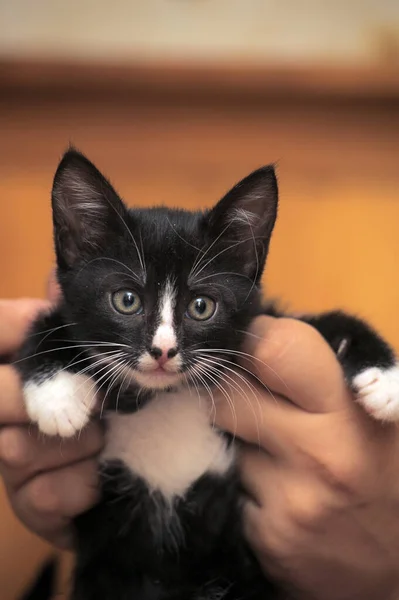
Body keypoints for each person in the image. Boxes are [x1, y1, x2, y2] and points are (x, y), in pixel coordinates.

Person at [1, 278, 399, 600]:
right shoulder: (82, 339)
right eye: (127, 300)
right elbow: (47, 333)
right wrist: (47, 375)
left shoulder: (247, 345)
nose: (163, 346)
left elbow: (325, 332)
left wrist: (371, 359)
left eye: (200, 307)